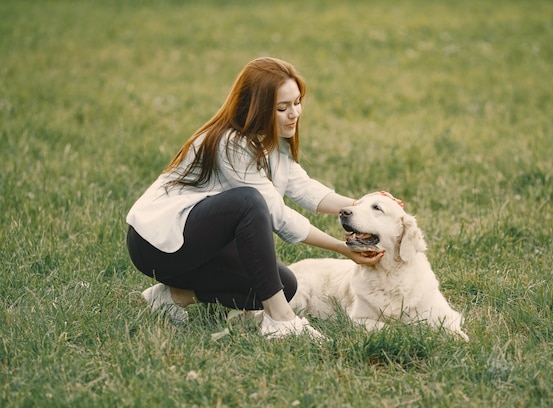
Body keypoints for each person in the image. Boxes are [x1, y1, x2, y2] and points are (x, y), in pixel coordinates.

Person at [125, 57, 383, 339]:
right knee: (249, 202)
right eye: (282, 108)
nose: (294, 113)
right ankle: (281, 321)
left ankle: (171, 298)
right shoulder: (231, 143)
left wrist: (363, 207)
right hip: (155, 246)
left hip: (196, 243)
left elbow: (306, 188)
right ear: (256, 109)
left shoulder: (272, 140)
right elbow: (276, 215)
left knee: (284, 285)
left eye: (297, 102)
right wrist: (341, 247)